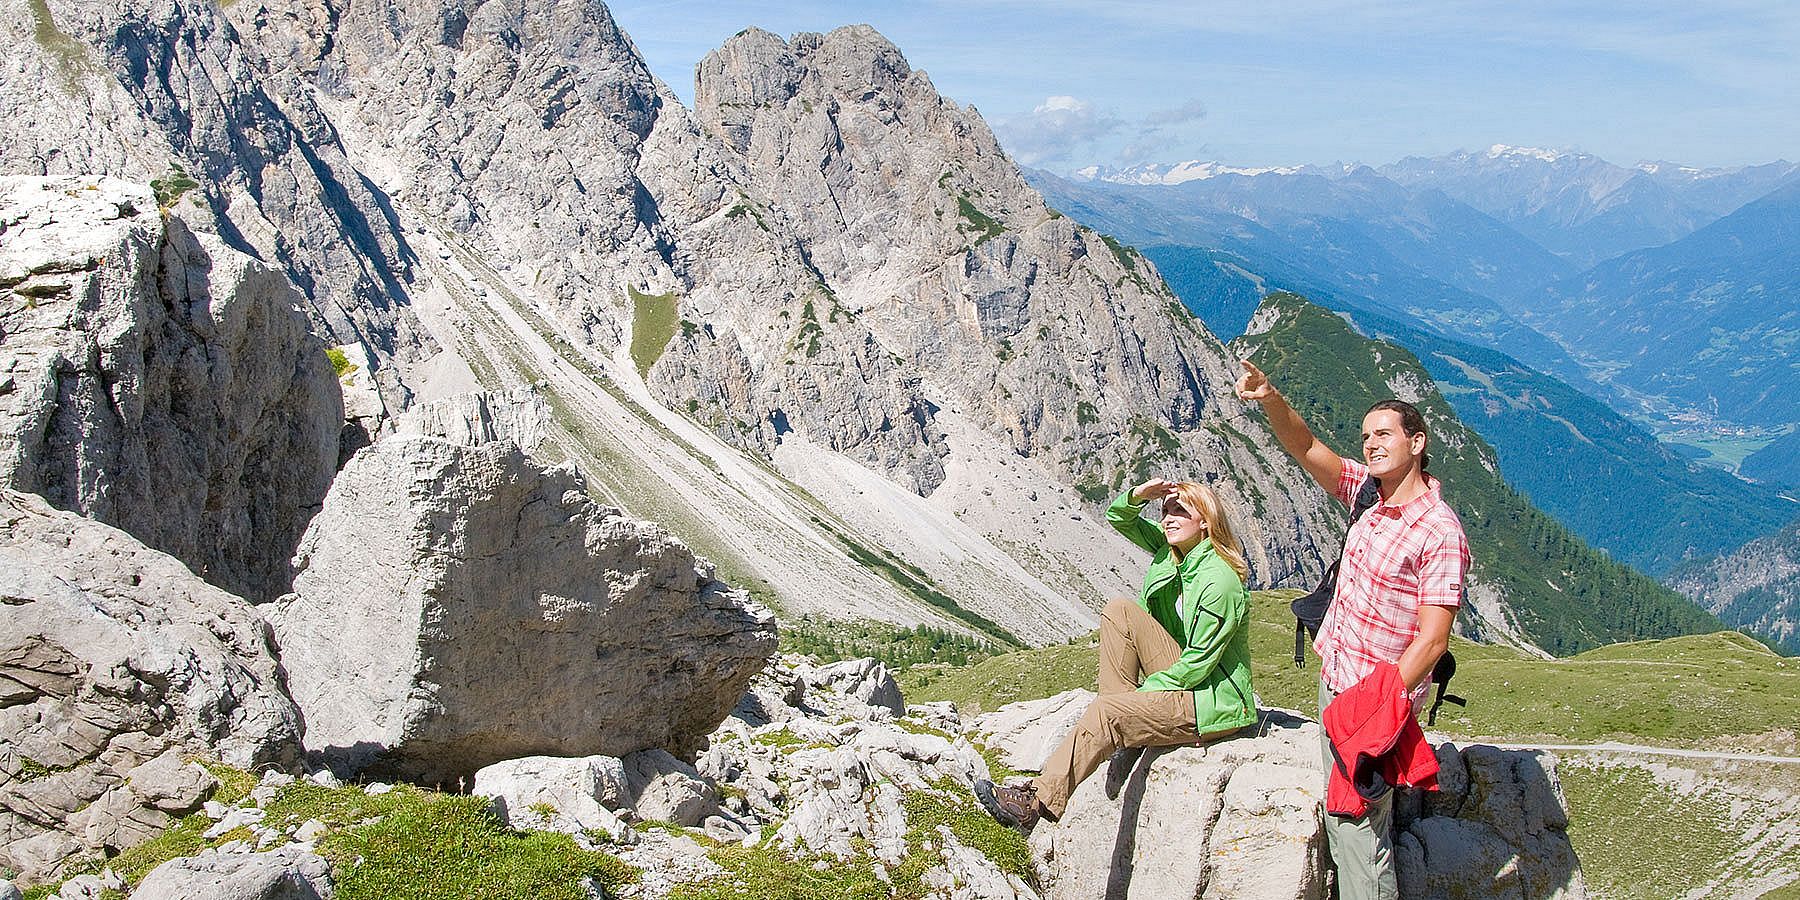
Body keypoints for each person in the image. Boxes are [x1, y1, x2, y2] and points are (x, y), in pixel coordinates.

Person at [1235, 359, 1469, 900]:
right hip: (1336, 680)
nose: (1370, 444)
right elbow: (1305, 446)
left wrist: (1376, 707)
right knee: (1346, 818)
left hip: (1376, 702)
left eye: (1383, 434)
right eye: (1365, 436)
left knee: (1358, 827)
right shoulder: (1367, 493)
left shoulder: (1439, 531)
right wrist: (1271, 397)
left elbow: (1434, 639)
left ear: (1417, 442)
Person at [976, 478, 1257, 829]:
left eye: (1180, 511)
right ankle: (1121, 729)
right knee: (1119, 610)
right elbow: (1119, 517)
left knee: (1108, 711)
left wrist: (1143, 694)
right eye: (1165, 511)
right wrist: (1141, 494)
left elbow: (1199, 663)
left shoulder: (1219, 580)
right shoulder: (1175, 552)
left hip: (1211, 699)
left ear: (1206, 521)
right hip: (1187, 677)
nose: (1168, 519)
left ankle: (1036, 801)